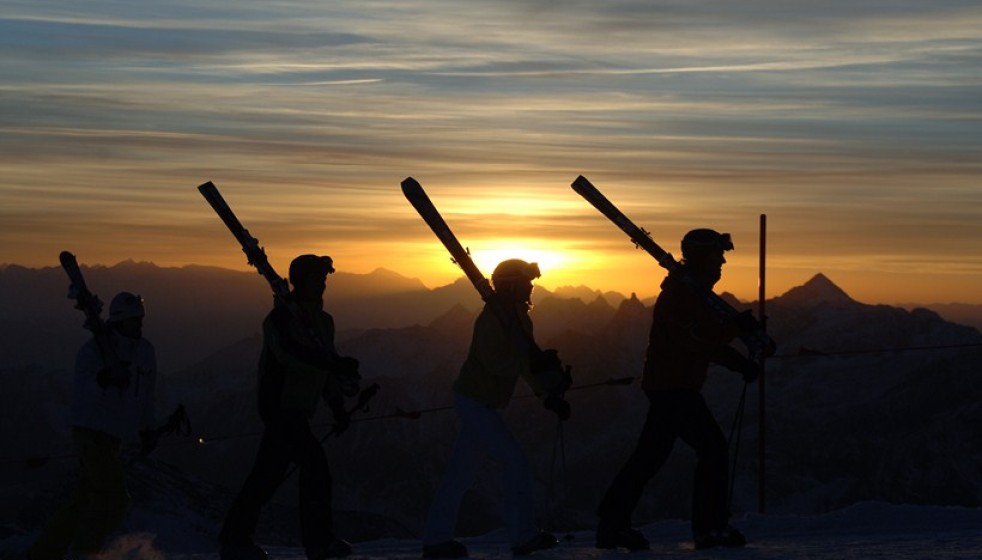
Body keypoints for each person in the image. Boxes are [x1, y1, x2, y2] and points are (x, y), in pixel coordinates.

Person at [595, 229, 762, 551]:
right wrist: (735, 332)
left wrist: (739, 362)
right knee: (712, 449)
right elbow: (696, 339)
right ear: (702, 258)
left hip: (670, 386)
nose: (723, 260)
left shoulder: (691, 293)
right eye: (718, 254)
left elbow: (702, 341)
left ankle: (612, 524)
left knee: (649, 457)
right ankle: (709, 529)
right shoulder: (682, 295)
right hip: (673, 387)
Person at [421, 259, 572, 559]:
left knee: (460, 475)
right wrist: (535, 365)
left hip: (477, 401)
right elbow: (496, 362)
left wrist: (546, 395)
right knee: (515, 461)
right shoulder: (494, 317)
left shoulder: (518, 317)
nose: (531, 285)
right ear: (511, 284)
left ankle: (436, 540)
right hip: (476, 403)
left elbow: (524, 363)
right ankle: (523, 536)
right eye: (526, 280)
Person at [219, 255, 361, 560]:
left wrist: (336, 405)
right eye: (317, 278)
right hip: (279, 407)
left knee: (266, 477)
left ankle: (234, 540)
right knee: (315, 466)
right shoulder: (279, 319)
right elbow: (289, 354)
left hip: (298, 411)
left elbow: (324, 370)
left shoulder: (324, 322)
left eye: (324, 279)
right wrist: (333, 363)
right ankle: (318, 543)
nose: (323, 284)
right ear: (300, 281)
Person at [29, 292, 158, 560]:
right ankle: (85, 553)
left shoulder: (145, 352)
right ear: (120, 321)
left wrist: (147, 429)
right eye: (135, 320)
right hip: (90, 433)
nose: (140, 324)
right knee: (113, 500)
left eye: (141, 319)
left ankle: (43, 553)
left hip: (114, 437)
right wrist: (104, 379)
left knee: (84, 500)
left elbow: (146, 395)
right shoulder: (94, 352)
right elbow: (83, 394)